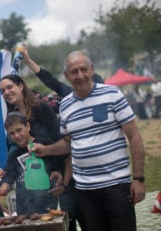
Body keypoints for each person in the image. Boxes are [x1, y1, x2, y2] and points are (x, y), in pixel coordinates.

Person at [31, 50, 146, 231]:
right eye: (74, 72)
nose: (80, 75)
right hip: (85, 190)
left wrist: (138, 179)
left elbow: (134, 136)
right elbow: (68, 142)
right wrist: (47, 150)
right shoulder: (66, 105)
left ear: (91, 69)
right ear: (67, 76)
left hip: (116, 185)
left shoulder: (112, 94)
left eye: (83, 69)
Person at [0, 112, 63, 215]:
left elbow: (59, 165)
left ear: (27, 126)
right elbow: (9, 176)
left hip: (48, 205)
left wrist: (59, 174)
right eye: (11, 133)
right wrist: (5, 184)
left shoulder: (45, 145)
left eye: (19, 130)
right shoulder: (13, 155)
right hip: (23, 209)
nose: (17, 136)